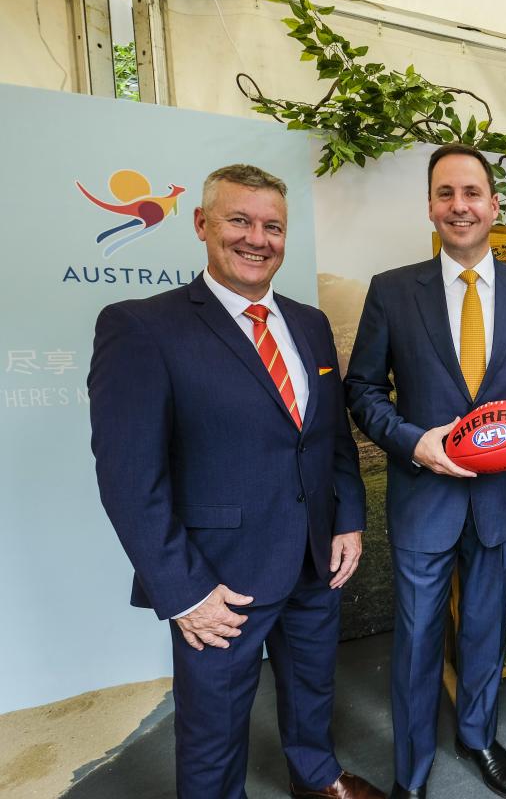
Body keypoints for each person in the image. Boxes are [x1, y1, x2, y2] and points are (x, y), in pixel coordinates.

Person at [89, 164, 383, 799]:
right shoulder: (141, 327)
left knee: (312, 687)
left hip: (314, 555)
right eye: (239, 221)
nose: (257, 238)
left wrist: (350, 517)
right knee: (213, 728)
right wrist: (184, 591)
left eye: (272, 226)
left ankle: (317, 775)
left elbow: (330, 437)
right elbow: (127, 477)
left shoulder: (308, 323)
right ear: (201, 224)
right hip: (219, 576)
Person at [345, 144, 506, 799]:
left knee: (487, 628)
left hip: (498, 497)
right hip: (423, 496)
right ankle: (410, 771)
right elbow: (362, 390)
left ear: (496, 205)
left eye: (472, 192)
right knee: (416, 641)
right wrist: (414, 443)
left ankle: (478, 736)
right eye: (445, 193)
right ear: (430, 206)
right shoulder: (390, 290)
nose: (459, 206)